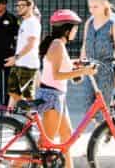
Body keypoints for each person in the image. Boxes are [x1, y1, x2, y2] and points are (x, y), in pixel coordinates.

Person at [33, 10, 95, 144]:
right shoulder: (57, 45)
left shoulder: (58, 44)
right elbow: (56, 75)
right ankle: (15, 166)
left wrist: (77, 63)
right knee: (44, 144)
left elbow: (61, 63)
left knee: (66, 136)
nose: (76, 31)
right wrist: (83, 71)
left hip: (58, 95)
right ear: (67, 30)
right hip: (52, 97)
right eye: (75, 28)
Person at [78, 0, 115, 115]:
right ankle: (101, 129)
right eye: (90, 7)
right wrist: (79, 66)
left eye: (95, 7)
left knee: (103, 106)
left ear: (104, 5)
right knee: (88, 105)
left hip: (105, 69)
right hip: (89, 69)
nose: (92, 10)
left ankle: (104, 130)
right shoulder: (89, 23)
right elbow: (84, 44)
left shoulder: (112, 25)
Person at [3, 0, 40, 110]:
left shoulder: (32, 22)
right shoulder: (25, 21)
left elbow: (31, 44)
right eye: (17, 6)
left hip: (28, 65)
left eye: (22, 6)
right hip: (20, 63)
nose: (18, 8)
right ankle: (8, 117)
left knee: (27, 96)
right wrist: (16, 59)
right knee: (13, 92)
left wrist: (16, 57)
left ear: (30, 7)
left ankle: (32, 119)